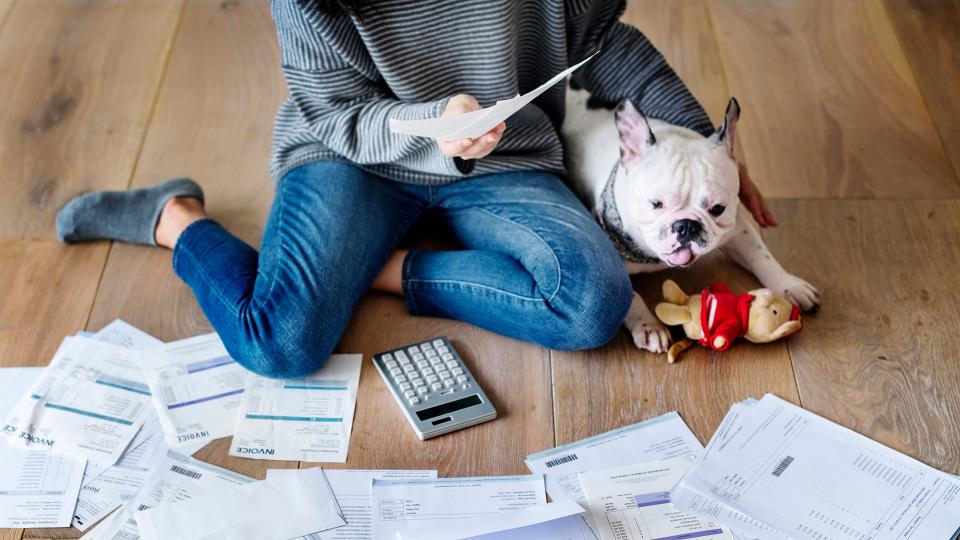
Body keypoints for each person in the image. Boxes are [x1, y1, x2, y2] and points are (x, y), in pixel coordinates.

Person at [55, 0, 776, 379]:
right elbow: (333, 113)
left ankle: (384, 269)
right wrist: (429, 123)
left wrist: (704, 155)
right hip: (352, 156)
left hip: (505, 156)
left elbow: (607, 43)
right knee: (277, 344)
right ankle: (174, 218)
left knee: (594, 304)